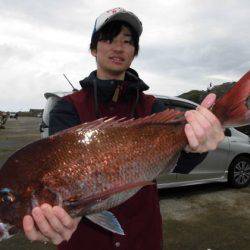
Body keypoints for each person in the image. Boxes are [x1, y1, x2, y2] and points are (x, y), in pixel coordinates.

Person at [23, 7, 224, 249]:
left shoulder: (152, 106)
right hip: (84, 242)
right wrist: (51, 218)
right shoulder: (68, 108)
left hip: (142, 238)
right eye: (108, 39)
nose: (118, 48)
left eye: (127, 42)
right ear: (93, 48)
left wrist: (199, 145)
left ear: (134, 52)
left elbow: (181, 163)